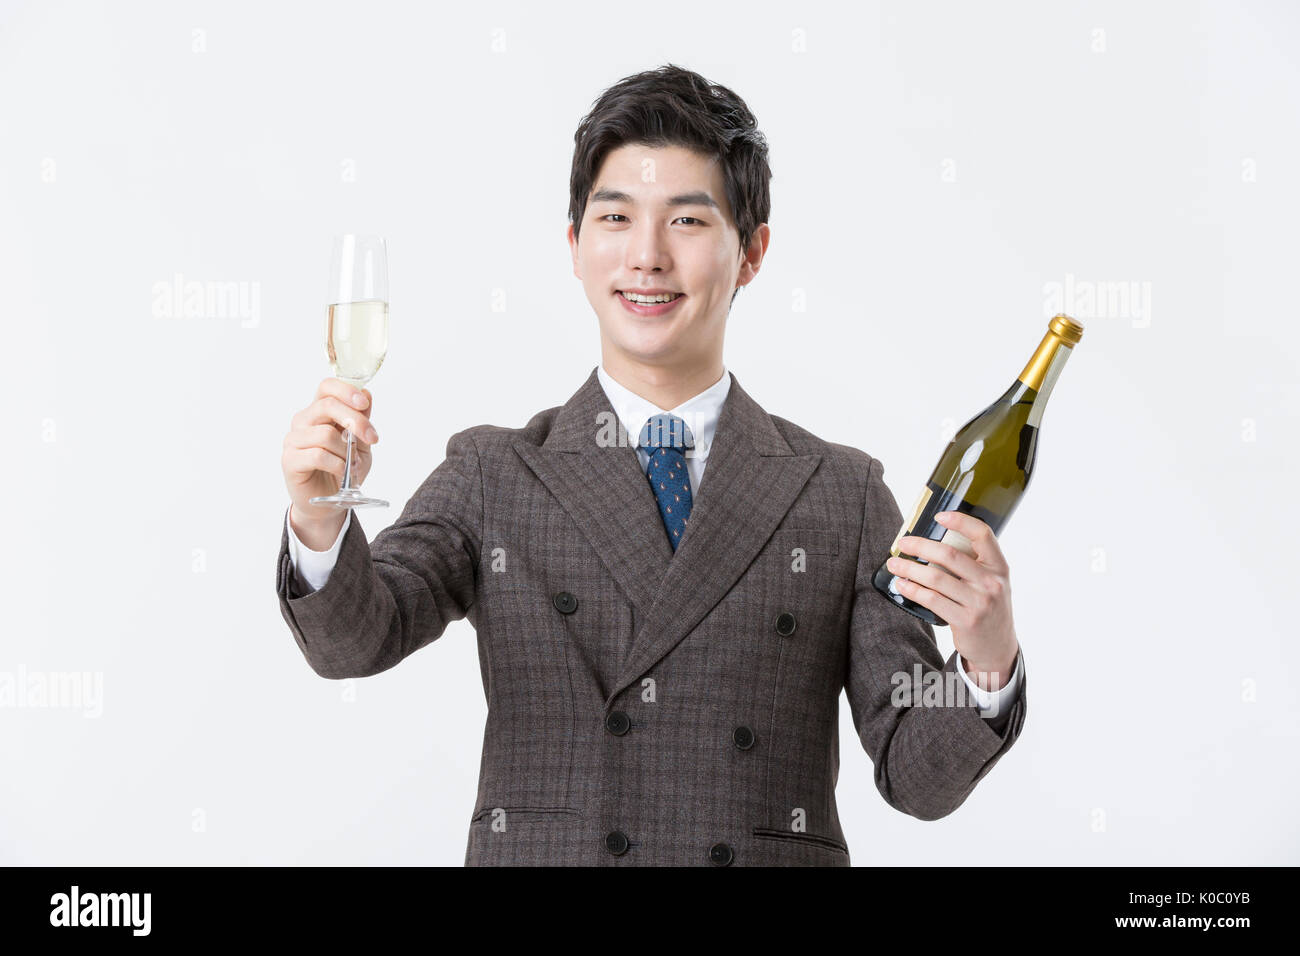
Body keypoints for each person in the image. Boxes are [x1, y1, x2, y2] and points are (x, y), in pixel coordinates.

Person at [276, 63, 1025, 866]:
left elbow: (916, 774)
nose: (646, 256)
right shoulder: (494, 472)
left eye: (689, 222)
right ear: (574, 246)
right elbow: (357, 642)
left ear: (752, 252)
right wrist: (319, 520)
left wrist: (987, 658)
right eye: (616, 217)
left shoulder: (841, 494)